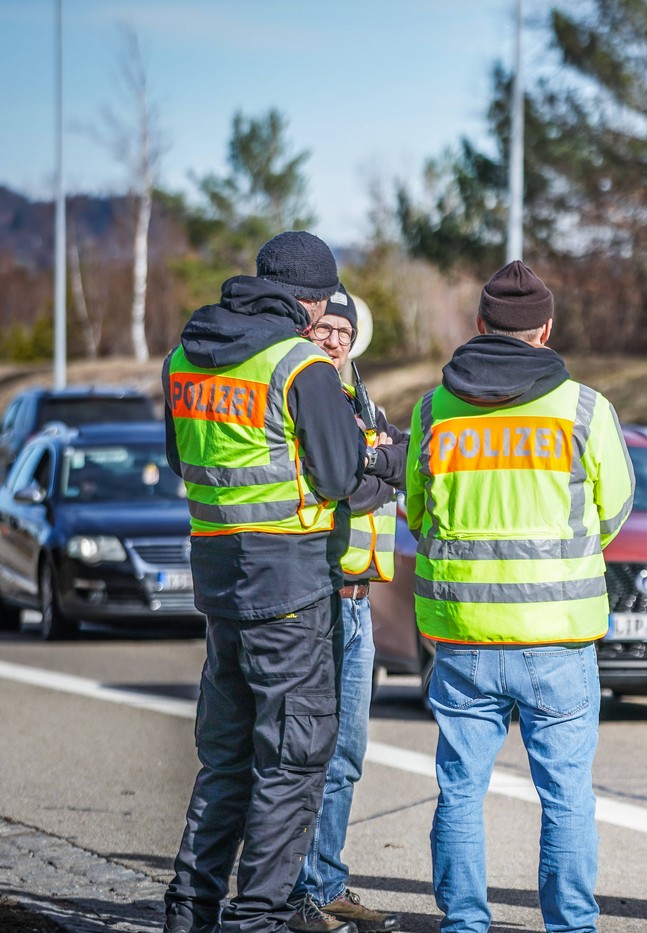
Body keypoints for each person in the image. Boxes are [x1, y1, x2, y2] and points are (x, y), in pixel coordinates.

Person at [407, 260, 635, 933]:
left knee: (459, 788)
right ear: (546, 331)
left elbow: (417, 513)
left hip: (462, 633)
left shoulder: (433, 410)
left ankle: (465, 923)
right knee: (566, 794)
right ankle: (570, 924)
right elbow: (616, 509)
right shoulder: (584, 408)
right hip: (557, 635)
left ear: (480, 327)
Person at [161, 231, 367, 933]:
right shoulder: (299, 363)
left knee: (226, 754)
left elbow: (183, 459)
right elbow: (340, 476)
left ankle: (190, 911)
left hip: (218, 582)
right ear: (313, 302)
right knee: (292, 755)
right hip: (289, 584)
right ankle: (260, 917)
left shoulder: (183, 358)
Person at [287, 286, 405, 933]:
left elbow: (391, 469)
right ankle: (296, 890)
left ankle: (327, 882)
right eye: (324, 326)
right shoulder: (307, 394)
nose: (333, 338)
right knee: (309, 749)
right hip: (317, 594)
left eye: (342, 330)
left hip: (360, 601)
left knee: (348, 752)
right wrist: (381, 465)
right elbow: (351, 481)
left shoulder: (365, 403)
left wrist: (382, 464)